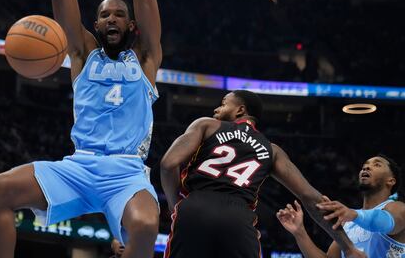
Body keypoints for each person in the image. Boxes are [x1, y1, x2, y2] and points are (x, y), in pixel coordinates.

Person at [0, 0, 162, 258]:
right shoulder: (81, 54)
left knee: (145, 226)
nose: (111, 17)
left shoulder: (146, 58)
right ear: (95, 26)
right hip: (78, 166)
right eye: (103, 14)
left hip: (126, 173)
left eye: (119, 14)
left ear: (132, 26)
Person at [160, 90, 365, 258]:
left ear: (240, 110)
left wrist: (173, 203)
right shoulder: (272, 150)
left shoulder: (206, 124)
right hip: (239, 217)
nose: (216, 108)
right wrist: (348, 247)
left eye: (223, 103)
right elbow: (311, 198)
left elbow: (168, 164)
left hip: (195, 207)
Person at [277, 154, 405, 257]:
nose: (366, 168)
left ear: (391, 180)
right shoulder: (349, 222)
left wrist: (353, 214)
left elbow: (386, 222)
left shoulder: (398, 208)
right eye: (364, 166)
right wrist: (300, 232)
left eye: (377, 165)